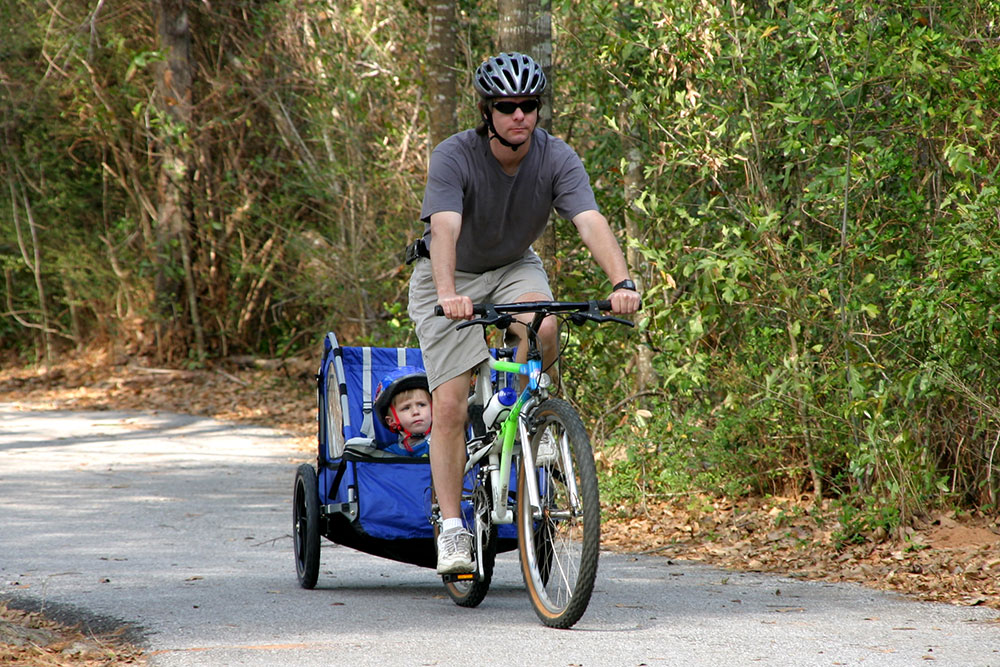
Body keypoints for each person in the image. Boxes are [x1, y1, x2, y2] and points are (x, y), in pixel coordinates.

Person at [407, 52, 641, 574]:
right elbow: (443, 228)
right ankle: (451, 528)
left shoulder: (556, 158)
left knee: (546, 323)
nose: (520, 115)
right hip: (449, 275)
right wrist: (448, 293)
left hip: (514, 265)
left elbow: (589, 220)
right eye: (508, 106)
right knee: (448, 403)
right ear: (487, 111)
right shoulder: (454, 156)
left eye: (529, 105)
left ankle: (534, 420)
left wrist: (621, 282)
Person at [372, 366, 432, 457]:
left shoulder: (446, 445)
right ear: (391, 421)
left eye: (421, 405)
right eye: (406, 408)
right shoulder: (388, 454)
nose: (416, 411)